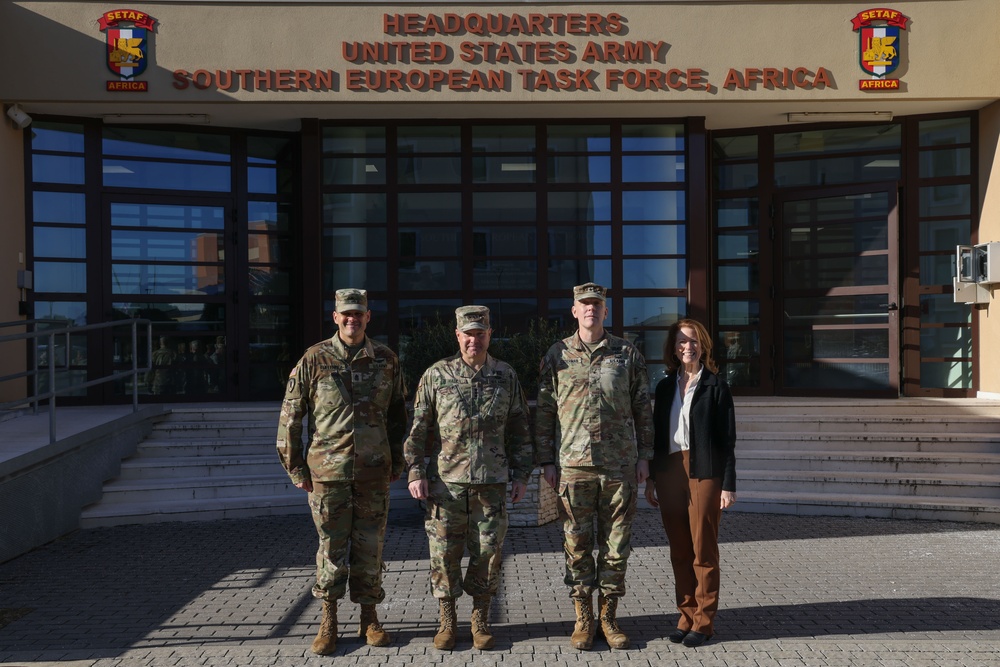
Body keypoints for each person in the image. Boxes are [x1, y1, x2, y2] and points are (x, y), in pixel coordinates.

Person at [276, 288, 407, 655]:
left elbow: (398, 416)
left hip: (373, 472)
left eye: (359, 314)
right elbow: (291, 415)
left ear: (368, 317)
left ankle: (370, 618)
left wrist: (397, 461)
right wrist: (295, 466)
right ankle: (328, 620)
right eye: (346, 314)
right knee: (331, 549)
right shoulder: (314, 359)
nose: (353, 319)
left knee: (370, 548)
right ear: (335, 317)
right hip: (327, 473)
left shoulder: (385, 359)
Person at [405, 305, 533, 651]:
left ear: (489, 335)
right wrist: (416, 471)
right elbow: (417, 429)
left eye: (480, 333)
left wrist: (522, 475)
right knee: (444, 555)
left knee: (488, 554)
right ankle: (447, 622)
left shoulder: (506, 375)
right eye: (468, 333)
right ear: (458, 335)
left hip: (491, 486)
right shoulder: (436, 375)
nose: (473, 339)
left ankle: (480, 620)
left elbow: (521, 428)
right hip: (445, 485)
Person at [535, 283, 654, 651]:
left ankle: (609, 616)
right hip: (573, 467)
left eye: (596, 305)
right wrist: (545, 462)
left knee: (616, 546)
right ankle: (583, 618)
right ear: (574, 311)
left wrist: (644, 456)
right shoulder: (557, 355)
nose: (590, 310)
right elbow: (544, 413)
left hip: (619, 466)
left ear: (605, 311)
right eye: (584, 305)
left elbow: (642, 409)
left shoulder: (626, 353)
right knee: (577, 545)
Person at [644, 318, 737, 648]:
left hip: (705, 472)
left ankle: (704, 621)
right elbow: (656, 436)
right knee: (679, 551)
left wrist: (728, 484)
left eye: (694, 341)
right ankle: (686, 616)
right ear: (673, 347)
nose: (688, 346)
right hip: (670, 472)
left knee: (703, 550)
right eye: (682, 341)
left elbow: (728, 441)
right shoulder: (666, 386)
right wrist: (652, 478)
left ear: (703, 346)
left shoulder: (716, 386)